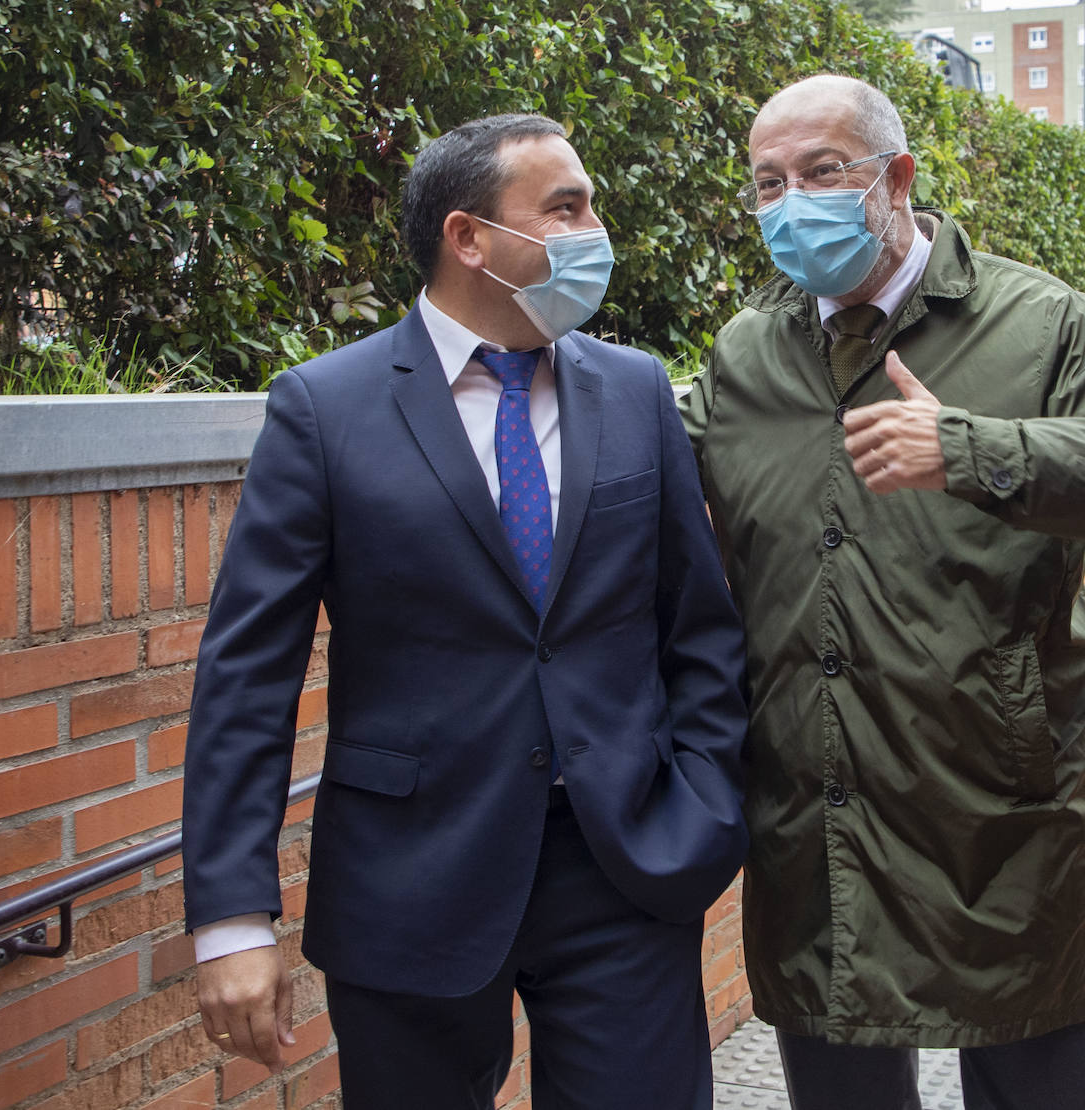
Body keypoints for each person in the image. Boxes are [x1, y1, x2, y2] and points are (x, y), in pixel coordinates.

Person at [182, 113, 749, 1109]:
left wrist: (703, 807)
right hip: (410, 877)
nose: (593, 228)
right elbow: (247, 677)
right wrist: (233, 918)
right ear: (469, 238)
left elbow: (696, 624)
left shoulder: (637, 391)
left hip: (623, 866)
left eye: (591, 204)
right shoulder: (325, 408)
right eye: (565, 207)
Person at [680, 75, 1085, 1110]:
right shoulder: (748, 352)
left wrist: (969, 447)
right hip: (817, 829)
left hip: (1004, 829)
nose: (793, 202)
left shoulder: (1042, 323)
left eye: (822, 171)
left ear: (899, 177)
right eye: (768, 182)